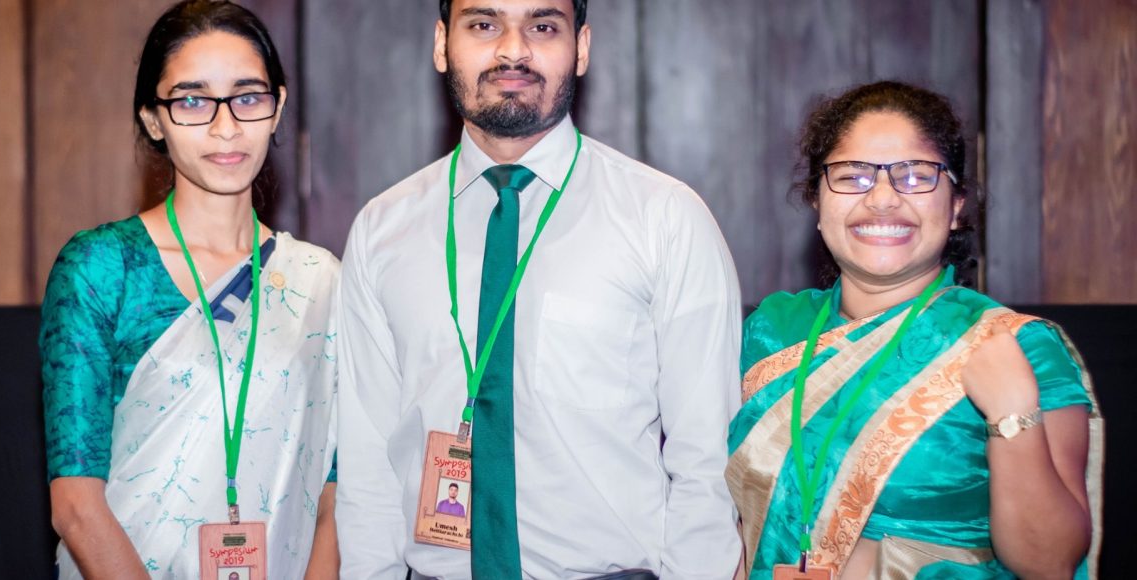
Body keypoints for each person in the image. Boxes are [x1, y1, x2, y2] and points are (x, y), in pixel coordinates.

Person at [336, 0, 742, 577]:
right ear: (441, 44)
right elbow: (367, 466)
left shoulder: (665, 218)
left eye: (543, 27)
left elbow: (707, 462)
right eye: (484, 25)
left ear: (581, 48)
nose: (513, 50)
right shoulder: (382, 231)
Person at [727, 81, 1104, 579]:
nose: (883, 199)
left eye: (915, 176)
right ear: (817, 201)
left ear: (956, 206)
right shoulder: (771, 332)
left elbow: (1050, 564)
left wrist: (1012, 413)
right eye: (853, 176)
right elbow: (716, 517)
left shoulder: (1017, 347)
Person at [39, 2, 339, 578]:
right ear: (154, 120)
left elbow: (335, 491)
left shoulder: (320, 281)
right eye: (193, 101)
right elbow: (75, 505)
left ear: (277, 109)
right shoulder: (102, 268)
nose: (226, 127)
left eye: (247, 97)